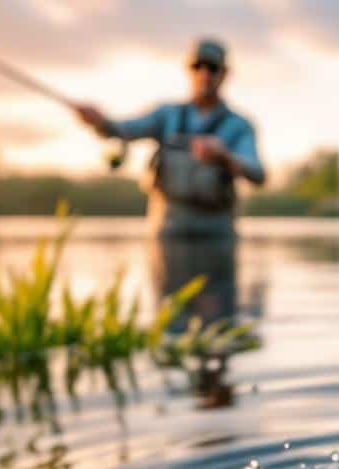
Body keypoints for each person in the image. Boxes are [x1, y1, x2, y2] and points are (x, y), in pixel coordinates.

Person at [73, 38, 263, 329]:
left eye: (212, 67)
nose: (204, 73)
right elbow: (122, 129)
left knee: (219, 324)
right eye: (197, 66)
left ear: (224, 73)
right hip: (167, 234)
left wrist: (223, 155)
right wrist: (100, 122)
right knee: (171, 321)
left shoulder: (239, 126)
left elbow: (257, 173)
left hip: (216, 236)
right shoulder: (166, 115)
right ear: (189, 70)